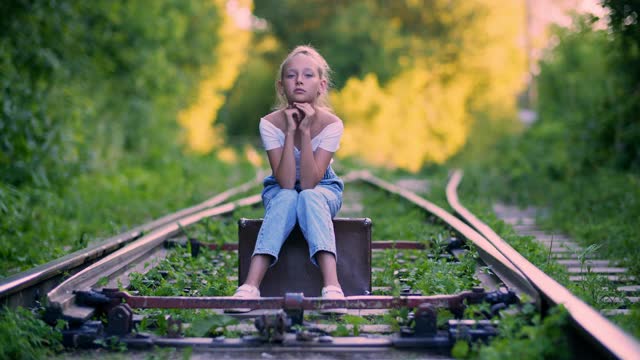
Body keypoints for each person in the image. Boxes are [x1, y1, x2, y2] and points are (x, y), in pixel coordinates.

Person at [231, 45, 346, 309]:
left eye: (308, 75)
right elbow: (285, 182)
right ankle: (250, 286)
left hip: (322, 187)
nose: (299, 80)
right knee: (285, 197)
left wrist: (305, 132)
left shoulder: (332, 125)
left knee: (309, 197)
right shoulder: (269, 123)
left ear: (321, 85)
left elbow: (308, 183)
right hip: (280, 188)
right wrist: (291, 131)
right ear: (281, 85)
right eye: (292, 75)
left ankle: (332, 286)